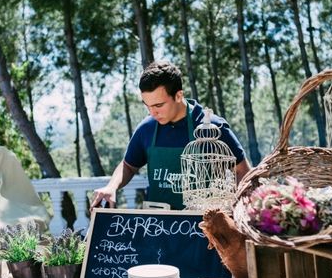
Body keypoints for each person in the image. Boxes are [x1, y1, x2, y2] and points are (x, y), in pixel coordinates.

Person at [90, 60, 250, 210]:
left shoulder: (212, 127)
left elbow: (243, 171)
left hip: (203, 229)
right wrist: (111, 187)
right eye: (148, 106)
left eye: (158, 105)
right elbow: (128, 165)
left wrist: (233, 207)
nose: (153, 113)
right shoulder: (147, 128)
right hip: (157, 226)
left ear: (178, 95)